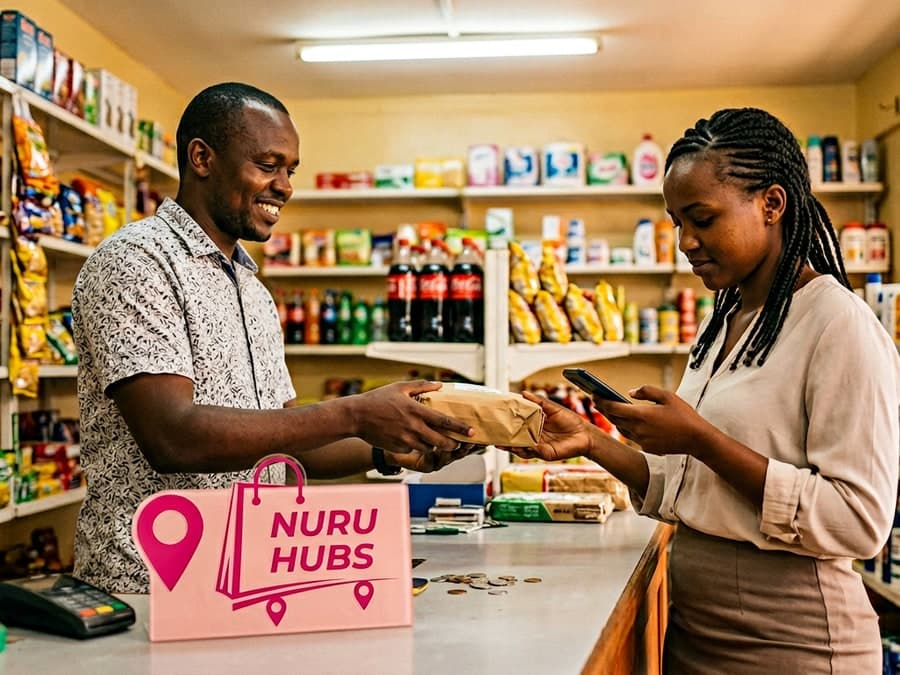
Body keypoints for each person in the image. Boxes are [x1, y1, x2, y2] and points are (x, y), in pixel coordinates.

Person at [511, 108, 900, 672]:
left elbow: (857, 522)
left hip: (795, 645)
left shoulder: (839, 324)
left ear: (772, 203)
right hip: (696, 630)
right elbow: (697, 493)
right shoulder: (730, 317)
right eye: (676, 223)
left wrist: (700, 438)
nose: (686, 242)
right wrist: (595, 445)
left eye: (703, 218)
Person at [71, 82, 476, 594]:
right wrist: (354, 412)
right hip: (150, 586)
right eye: (268, 165)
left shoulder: (250, 287)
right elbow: (173, 437)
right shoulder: (136, 262)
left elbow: (287, 441)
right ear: (202, 158)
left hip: (248, 579)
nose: (284, 186)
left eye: (290, 170)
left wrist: (391, 451)